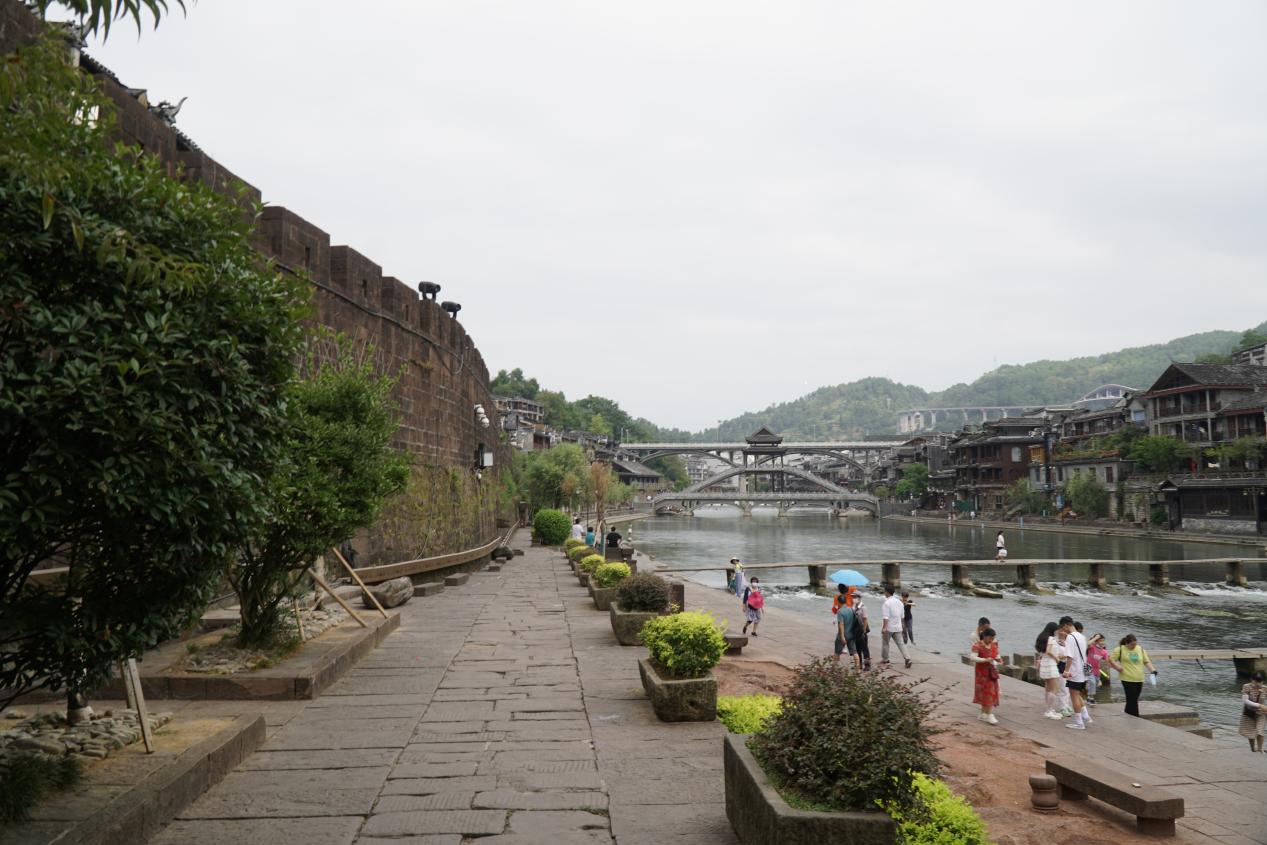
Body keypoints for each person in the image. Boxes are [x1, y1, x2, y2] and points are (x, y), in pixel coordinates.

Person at [1106, 633, 1156, 717]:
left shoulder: (1140, 649)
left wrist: (1153, 670)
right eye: (1132, 644)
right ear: (1126, 643)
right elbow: (1110, 660)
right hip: (1127, 678)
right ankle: (1136, 717)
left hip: (1139, 678)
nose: (1134, 646)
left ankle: (1127, 713)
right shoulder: (1120, 649)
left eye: (1135, 644)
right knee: (1133, 699)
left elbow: (1146, 661)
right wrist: (1117, 667)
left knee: (1133, 699)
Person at [1059, 616, 1092, 730]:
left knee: (1074, 696)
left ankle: (1079, 723)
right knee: (1077, 695)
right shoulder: (1082, 636)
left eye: (1062, 628)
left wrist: (1066, 671)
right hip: (1082, 670)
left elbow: (1070, 656)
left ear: (1065, 625)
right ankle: (1085, 716)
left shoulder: (1070, 637)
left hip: (1074, 671)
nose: (1063, 630)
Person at [970, 627, 1001, 724]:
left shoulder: (994, 646)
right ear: (985, 636)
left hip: (992, 673)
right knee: (986, 693)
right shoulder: (977, 645)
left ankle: (984, 713)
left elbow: (998, 656)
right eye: (990, 638)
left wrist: (998, 660)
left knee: (991, 692)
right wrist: (985, 660)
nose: (992, 640)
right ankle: (989, 714)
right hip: (982, 674)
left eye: (993, 638)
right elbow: (973, 657)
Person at [1036, 622, 1064, 720]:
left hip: (1044, 663)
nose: (1057, 632)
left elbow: (1043, 652)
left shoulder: (1042, 638)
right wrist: (1056, 658)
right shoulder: (1051, 639)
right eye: (1056, 630)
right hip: (1051, 664)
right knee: (1055, 689)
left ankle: (1049, 709)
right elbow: (1048, 651)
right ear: (1053, 630)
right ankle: (1049, 710)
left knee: (1048, 688)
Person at [880, 585, 912, 669]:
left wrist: (884, 628)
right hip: (898, 627)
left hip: (889, 627)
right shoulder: (899, 602)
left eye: (884, 591)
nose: (884, 593)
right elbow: (902, 616)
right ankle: (907, 658)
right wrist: (902, 626)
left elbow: (886, 617)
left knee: (885, 643)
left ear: (887, 592)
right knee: (901, 643)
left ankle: (885, 659)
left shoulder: (887, 603)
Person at [1240, 672, 1266, 753]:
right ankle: (1253, 748)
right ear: (1252, 680)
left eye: (1260, 681)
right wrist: (1259, 705)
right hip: (1249, 712)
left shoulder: (1265, 688)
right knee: (1250, 732)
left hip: (1261, 713)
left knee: (1259, 731)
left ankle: (1260, 749)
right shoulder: (1246, 686)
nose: (1258, 684)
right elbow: (1245, 701)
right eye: (1256, 681)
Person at [1085, 632, 1109, 705]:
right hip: (1088, 667)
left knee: (1095, 684)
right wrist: (1095, 637)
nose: (1102, 642)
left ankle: (1088, 697)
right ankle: (1092, 699)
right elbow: (1087, 644)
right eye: (1100, 640)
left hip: (1096, 669)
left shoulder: (1104, 651)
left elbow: (1107, 661)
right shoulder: (1092, 647)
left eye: (1103, 640)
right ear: (1096, 641)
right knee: (1092, 682)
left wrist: (1110, 665)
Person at [852, 597, 872, 670]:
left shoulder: (863, 607)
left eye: (855, 597)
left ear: (859, 598)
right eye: (852, 597)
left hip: (862, 630)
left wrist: (864, 630)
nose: (853, 598)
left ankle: (867, 665)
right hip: (856, 630)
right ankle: (859, 664)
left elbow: (865, 619)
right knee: (857, 648)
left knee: (864, 648)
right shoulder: (854, 607)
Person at [834, 598, 855, 665]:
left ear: (839, 602)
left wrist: (842, 637)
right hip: (851, 634)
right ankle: (858, 668)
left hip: (842, 635)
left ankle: (835, 667)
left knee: (837, 653)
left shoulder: (840, 611)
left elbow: (841, 624)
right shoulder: (851, 609)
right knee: (855, 653)